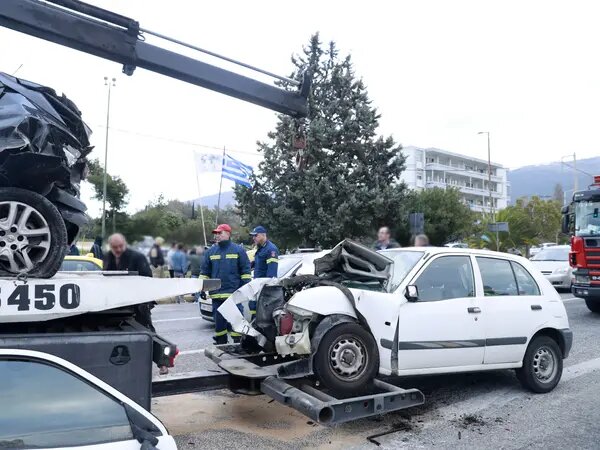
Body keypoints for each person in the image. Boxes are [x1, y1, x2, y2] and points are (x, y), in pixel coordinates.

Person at [200, 224, 252, 344]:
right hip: (216, 295)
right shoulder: (210, 252)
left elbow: (245, 271)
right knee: (219, 323)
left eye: (220, 233)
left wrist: (245, 289)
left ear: (228, 234)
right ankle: (221, 342)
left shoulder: (238, 250)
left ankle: (238, 343)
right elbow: (205, 272)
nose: (217, 235)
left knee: (235, 321)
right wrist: (202, 288)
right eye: (216, 233)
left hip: (234, 295)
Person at [250, 225, 279, 319]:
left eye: (256, 235)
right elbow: (260, 264)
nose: (253, 238)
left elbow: (271, 273)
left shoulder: (271, 249)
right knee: (253, 307)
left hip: (263, 287)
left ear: (263, 235)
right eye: (253, 236)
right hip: (257, 285)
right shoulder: (260, 248)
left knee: (262, 313)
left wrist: (266, 289)